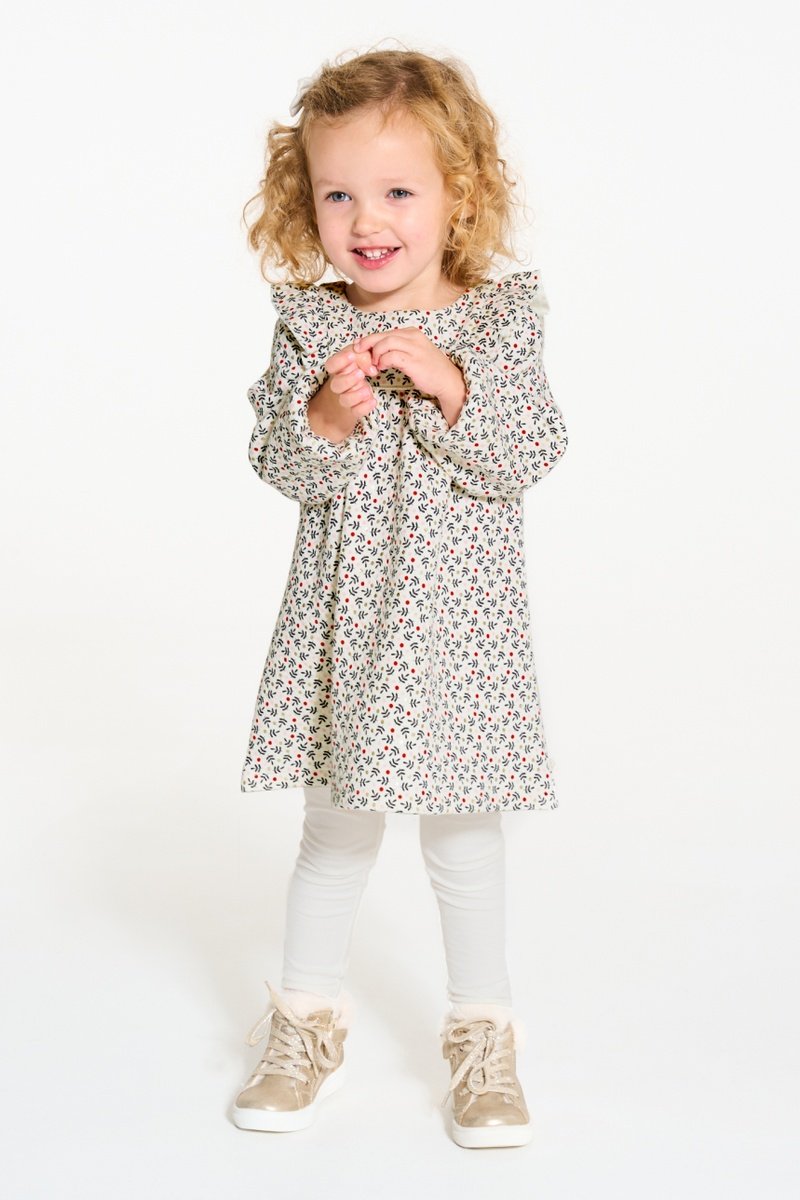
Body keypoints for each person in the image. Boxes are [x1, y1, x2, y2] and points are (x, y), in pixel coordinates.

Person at [231, 46, 569, 1150]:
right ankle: (303, 1023)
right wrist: (323, 421)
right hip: (345, 629)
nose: (365, 220)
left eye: (396, 192)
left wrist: (450, 383)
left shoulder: (498, 320)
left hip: (459, 639)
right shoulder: (311, 326)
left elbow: (528, 451)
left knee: (461, 841)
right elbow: (281, 464)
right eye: (337, 195)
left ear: (457, 195)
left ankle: (483, 1036)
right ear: (305, 203)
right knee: (334, 832)